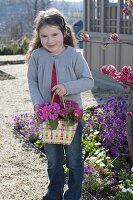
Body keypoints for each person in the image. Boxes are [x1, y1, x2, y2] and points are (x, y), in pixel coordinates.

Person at [26, 8, 94, 200]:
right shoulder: (37, 56)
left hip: (72, 117)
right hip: (47, 117)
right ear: (38, 36)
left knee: (74, 160)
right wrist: (38, 104)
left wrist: (67, 86)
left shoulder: (74, 55)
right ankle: (54, 193)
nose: (50, 40)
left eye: (54, 34)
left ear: (64, 32)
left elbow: (88, 81)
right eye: (44, 36)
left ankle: (72, 195)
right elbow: (32, 81)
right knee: (53, 161)